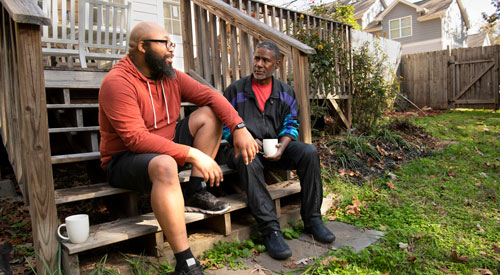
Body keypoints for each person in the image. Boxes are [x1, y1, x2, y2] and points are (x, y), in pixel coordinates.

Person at [98, 22, 258, 275]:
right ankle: (185, 262)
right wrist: (192, 154)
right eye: (165, 43)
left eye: (171, 43)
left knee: (210, 114)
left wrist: (239, 126)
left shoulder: (169, 75)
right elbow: (136, 139)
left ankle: (195, 190)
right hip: (125, 159)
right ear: (142, 46)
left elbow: (212, 96)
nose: (171, 49)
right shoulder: (118, 82)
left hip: (167, 145)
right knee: (165, 163)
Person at [222, 41, 335, 260]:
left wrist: (282, 147)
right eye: (257, 58)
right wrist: (242, 138)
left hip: (272, 147)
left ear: (277, 64)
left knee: (308, 152)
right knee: (248, 157)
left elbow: (291, 125)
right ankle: (270, 229)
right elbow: (224, 127)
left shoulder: (285, 92)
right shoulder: (235, 90)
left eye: (265, 60)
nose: (259, 64)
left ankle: (312, 220)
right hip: (240, 149)